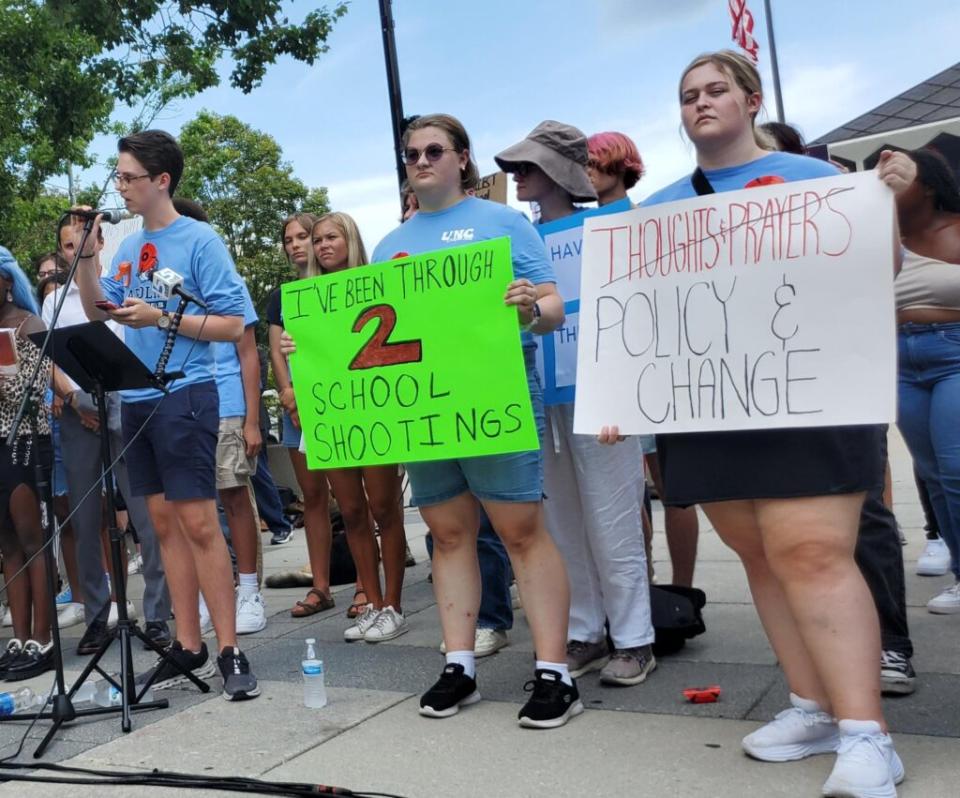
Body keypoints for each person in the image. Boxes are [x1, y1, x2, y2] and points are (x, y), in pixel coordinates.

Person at [600, 51, 905, 795]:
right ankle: (812, 707)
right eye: (687, 95)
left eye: (714, 90)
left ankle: (868, 734)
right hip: (713, 405)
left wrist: (885, 207)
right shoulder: (661, 206)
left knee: (812, 554)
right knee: (760, 556)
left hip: (811, 393)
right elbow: (642, 310)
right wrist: (619, 393)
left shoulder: (818, 179)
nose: (700, 103)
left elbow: (882, 266)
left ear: (750, 99)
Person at [370, 113, 577, 728]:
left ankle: (554, 673)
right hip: (427, 406)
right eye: (411, 153)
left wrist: (530, 306)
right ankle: (459, 664)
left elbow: (553, 307)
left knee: (520, 531)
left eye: (435, 150)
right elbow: (376, 335)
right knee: (448, 533)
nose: (422, 160)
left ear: (463, 159)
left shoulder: (504, 223)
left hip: (497, 396)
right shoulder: (389, 245)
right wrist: (316, 349)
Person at [71, 129, 258, 701]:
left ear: (161, 181)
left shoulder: (199, 240)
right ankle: (187, 642)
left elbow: (233, 325)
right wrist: (87, 259)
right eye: (118, 176)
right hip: (137, 398)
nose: (120, 186)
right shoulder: (128, 249)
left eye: (128, 176)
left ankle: (228, 647)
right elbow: (95, 309)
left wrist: (162, 320)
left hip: (187, 392)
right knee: (162, 526)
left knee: (200, 522)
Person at [496, 122, 656, 686]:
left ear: (557, 171)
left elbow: (641, 314)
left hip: (604, 393)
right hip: (541, 393)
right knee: (561, 522)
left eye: (527, 167)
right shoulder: (515, 239)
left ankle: (635, 637)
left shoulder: (615, 224)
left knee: (614, 521)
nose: (516, 177)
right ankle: (585, 630)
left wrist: (628, 392)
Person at [587, 129, 701, 588]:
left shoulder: (647, 219)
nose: (588, 172)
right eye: (585, 164)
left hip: (652, 366)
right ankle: (644, 585)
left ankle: (683, 590)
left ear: (620, 165)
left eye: (596, 162)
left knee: (674, 490)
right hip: (607, 372)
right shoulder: (573, 230)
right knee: (625, 495)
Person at [306, 212, 409, 642]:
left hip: (375, 410)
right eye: (317, 239)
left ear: (350, 239)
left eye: (332, 236)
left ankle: (394, 604)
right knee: (350, 511)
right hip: (333, 414)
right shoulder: (307, 297)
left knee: (384, 507)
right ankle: (369, 599)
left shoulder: (376, 282)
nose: (323, 245)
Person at [172, 196, 266, 636]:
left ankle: (249, 589)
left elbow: (248, 354)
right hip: (181, 404)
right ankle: (212, 593)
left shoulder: (227, 283)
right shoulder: (163, 289)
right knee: (194, 508)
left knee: (233, 497)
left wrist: (251, 420)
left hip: (226, 404)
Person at [894, 147, 960, 613]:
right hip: (899, 359)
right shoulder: (877, 236)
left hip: (953, 350)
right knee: (934, 474)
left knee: (956, 469)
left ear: (930, 184)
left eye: (903, 174)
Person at [266, 214, 340, 617]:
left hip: (342, 402)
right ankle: (322, 585)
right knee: (312, 496)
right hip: (300, 406)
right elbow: (277, 350)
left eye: (302, 237)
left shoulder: (342, 282)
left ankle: (367, 584)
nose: (295, 245)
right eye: (288, 239)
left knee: (351, 497)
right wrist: (288, 393)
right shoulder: (282, 296)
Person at [0, 247, 54, 681]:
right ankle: (18, 637)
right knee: (8, 546)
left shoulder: (28, 325)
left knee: (32, 539)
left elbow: (32, 394)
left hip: (25, 439)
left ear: (6, 281)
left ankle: (44, 638)